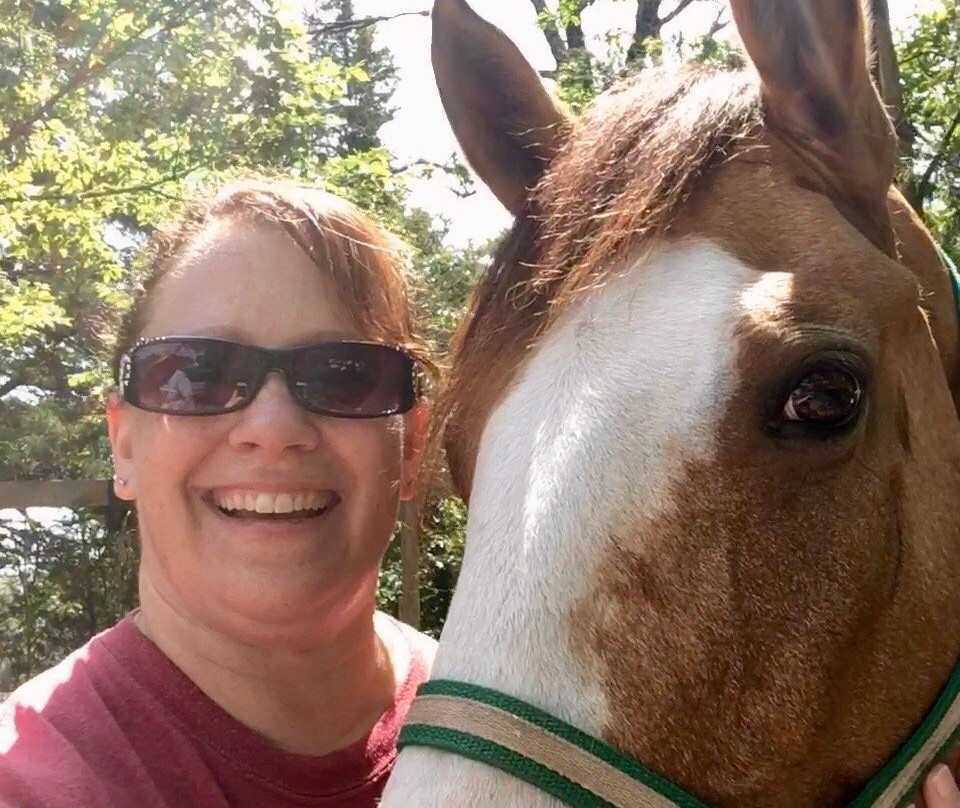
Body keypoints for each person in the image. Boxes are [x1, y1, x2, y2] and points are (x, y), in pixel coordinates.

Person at [0, 178, 435, 807]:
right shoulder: (29, 784)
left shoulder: (529, 745)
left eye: (346, 375)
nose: (274, 430)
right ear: (124, 446)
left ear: (412, 447)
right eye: (197, 374)